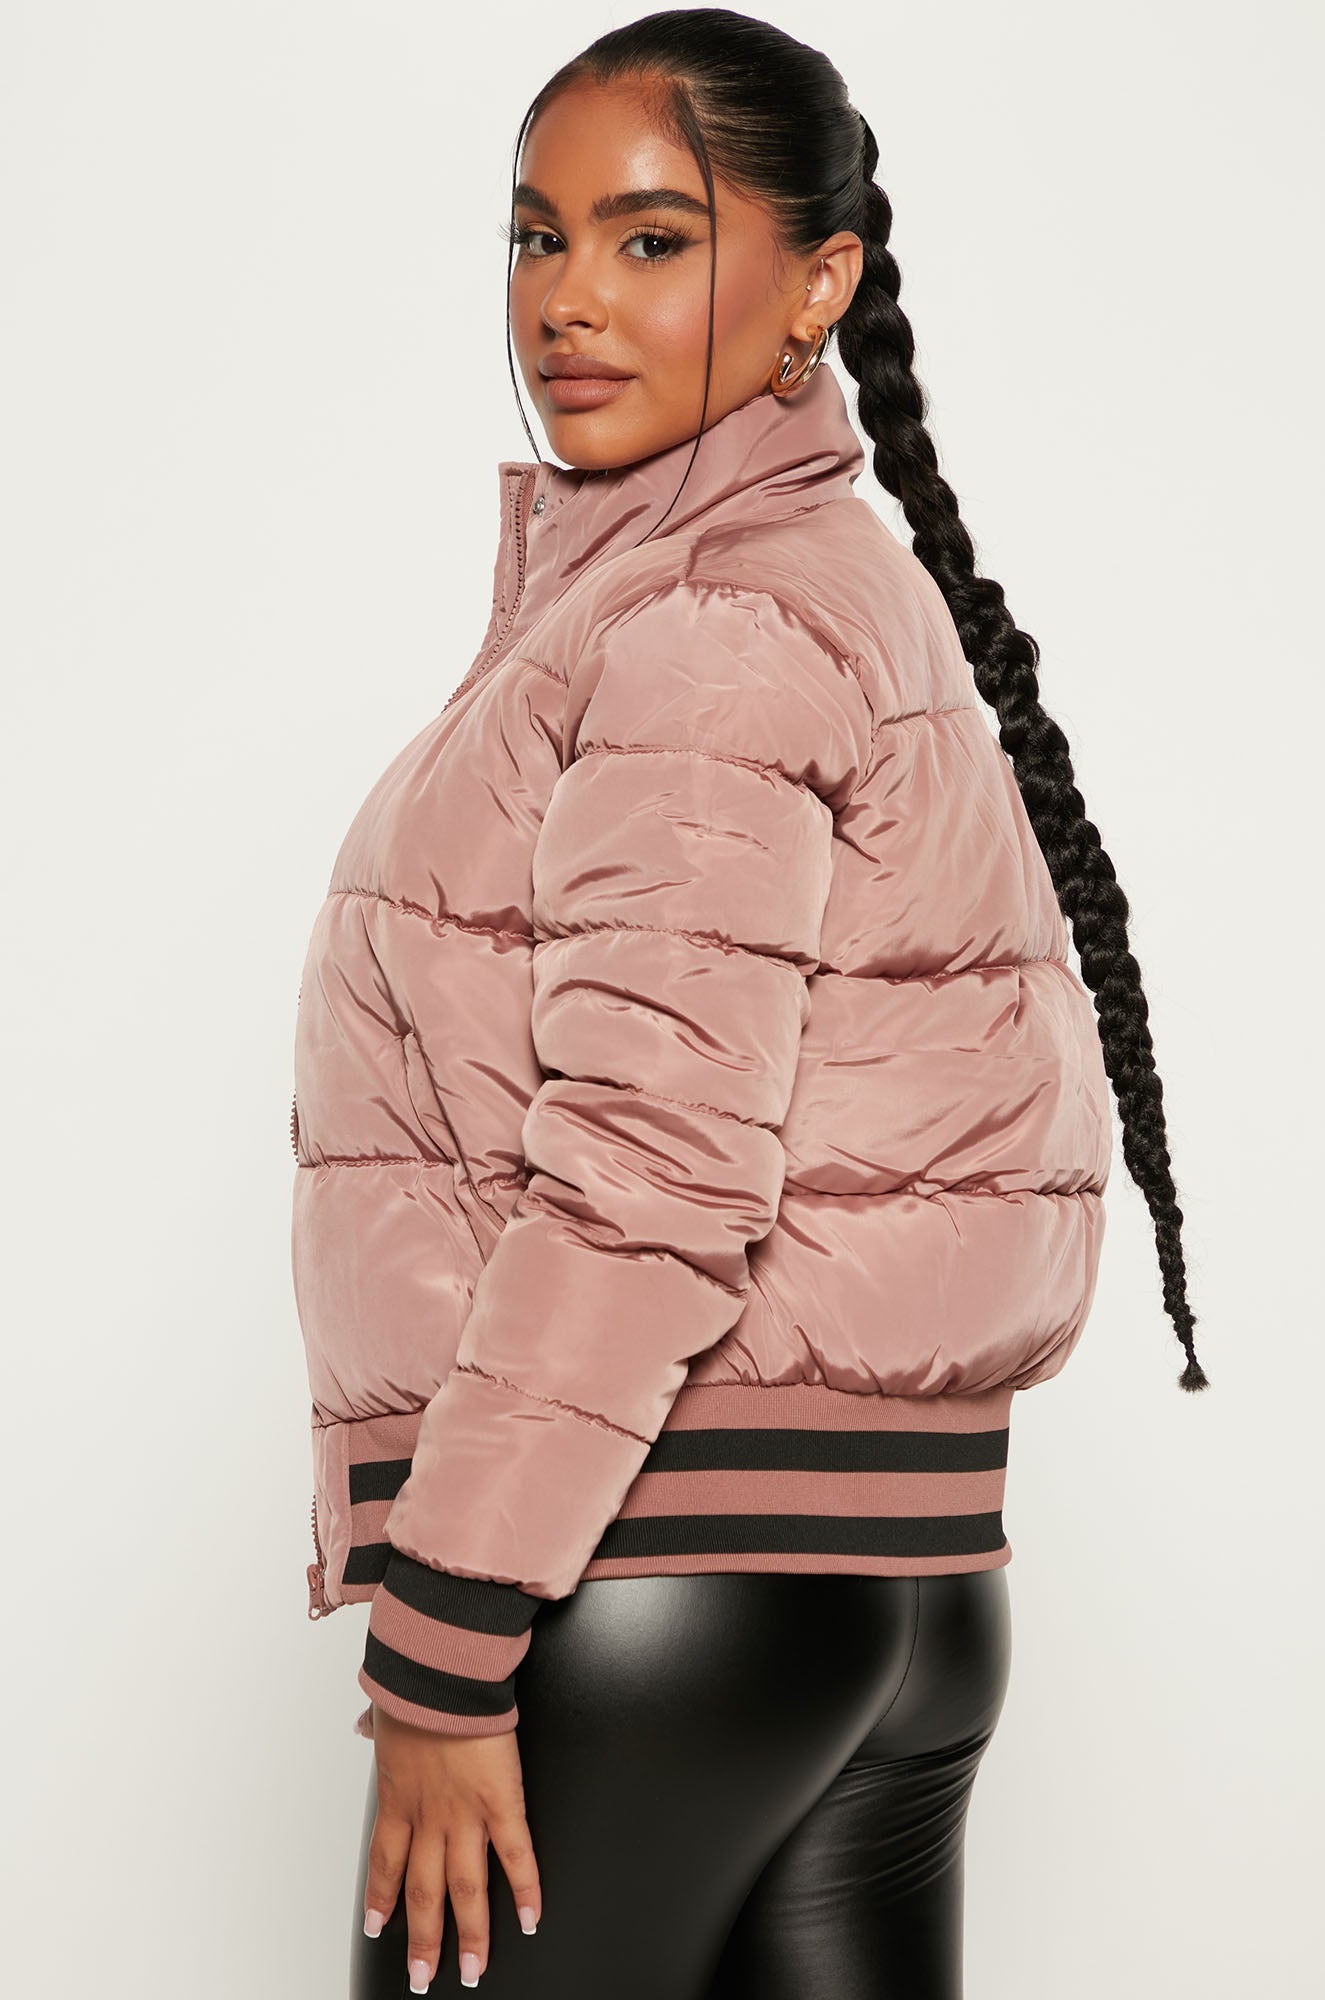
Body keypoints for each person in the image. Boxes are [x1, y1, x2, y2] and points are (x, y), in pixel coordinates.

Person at [288, 9, 1209, 1995]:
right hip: (899, 1590)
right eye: (536, 237)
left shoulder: (706, 619)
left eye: (649, 239)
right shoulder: (814, 577)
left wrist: (447, 1633)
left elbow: (650, 1170)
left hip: (649, 1573)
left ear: (817, 286)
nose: (566, 300)